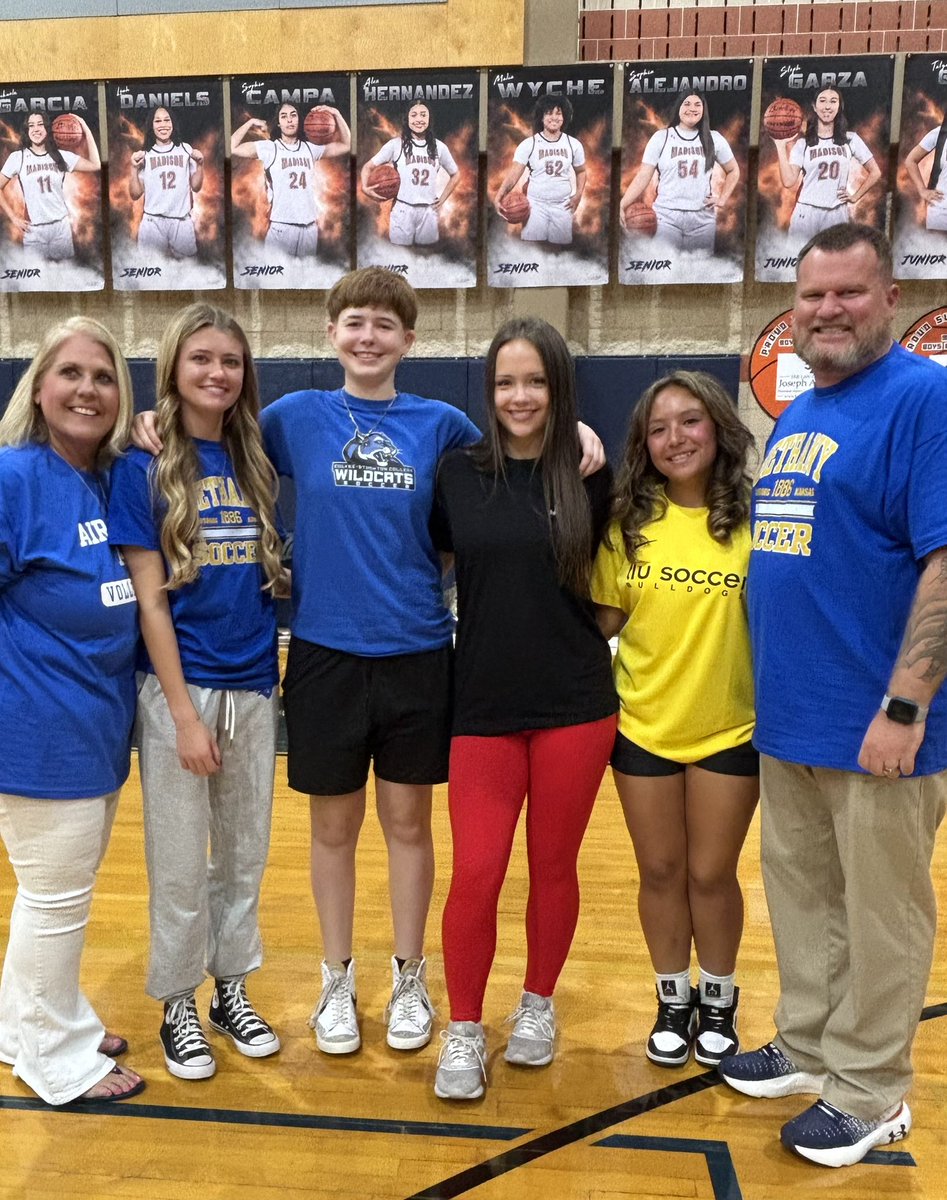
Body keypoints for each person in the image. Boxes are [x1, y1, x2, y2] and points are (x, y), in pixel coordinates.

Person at [131, 268, 604, 1062]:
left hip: (419, 652)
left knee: (409, 826)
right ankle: (335, 979)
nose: (368, 337)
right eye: (354, 322)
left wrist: (579, 435)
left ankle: (410, 976)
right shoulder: (291, 419)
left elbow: (514, 464)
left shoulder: (443, 425)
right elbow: (213, 428)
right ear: (330, 332)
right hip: (322, 654)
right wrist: (153, 418)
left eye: (386, 325)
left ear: (409, 341)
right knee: (333, 828)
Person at [718, 224, 947, 1168]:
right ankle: (810, 1043)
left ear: (889, 298)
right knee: (806, 899)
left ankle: (871, 1089)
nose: (827, 312)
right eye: (812, 296)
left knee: (884, 910)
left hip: (876, 722)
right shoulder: (808, 409)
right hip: (794, 716)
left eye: (848, 294)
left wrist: (905, 704)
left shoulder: (923, 400)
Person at [431, 318, 616, 1101]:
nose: (518, 396)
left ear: (557, 387)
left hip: (575, 704)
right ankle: (465, 1028)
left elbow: (617, 588)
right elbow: (437, 561)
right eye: (505, 382)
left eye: (534, 381)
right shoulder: (457, 473)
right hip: (480, 704)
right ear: (488, 389)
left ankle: (537, 1005)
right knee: (475, 871)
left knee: (553, 866)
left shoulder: (591, 470)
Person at [108, 304, 284, 1081]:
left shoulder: (257, 456)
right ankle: (178, 1000)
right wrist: (180, 715)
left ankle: (230, 990)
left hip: (253, 684)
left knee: (243, 859)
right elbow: (150, 601)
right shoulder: (139, 466)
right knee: (179, 863)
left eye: (232, 362)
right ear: (174, 367)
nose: (218, 373)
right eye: (202, 359)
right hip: (179, 687)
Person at [590, 372, 757, 1071]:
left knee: (711, 873)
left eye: (689, 422)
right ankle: (671, 999)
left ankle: (717, 998)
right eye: (657, 429)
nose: (674, 439)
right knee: (658, 870)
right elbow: (600, 621)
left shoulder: (756, 519)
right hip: (642, 726)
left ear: (717, 428)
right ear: (642, 444)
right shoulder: (628, 526)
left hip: (730, 728)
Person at [0, 317, 143, 1104]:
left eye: (104, 376)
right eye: (72, 373)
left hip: (94, 728)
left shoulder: (107, 477)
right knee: (56, 900)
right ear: (40, 386)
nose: (88, 389)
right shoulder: (14, 478)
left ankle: (20, 1021)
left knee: (48, 893)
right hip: (37, 735)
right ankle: (55, 1060)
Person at [619, 92, 740, 253]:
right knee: (665, 270)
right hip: (667, 217)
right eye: (687, 104)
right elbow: (643, 175)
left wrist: (722, 198)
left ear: (704, 110)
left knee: (699, 271)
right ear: (679, 108)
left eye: (698, 105)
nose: (692, 108)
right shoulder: (661, 138)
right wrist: (623, 203)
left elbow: (733, 170)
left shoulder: (714, 138)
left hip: (702, 219)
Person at [231, 101, 351, 259]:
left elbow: (346, 144)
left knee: (306, 280)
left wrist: (335, 113)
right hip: (282, 228)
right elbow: (233, 146)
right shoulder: (270, 148)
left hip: (309, 228)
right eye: (284, 116)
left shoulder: (310, 148)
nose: (289, 120)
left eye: (293, 115)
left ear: (299, 121)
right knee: (277, 282)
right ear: (279, 123)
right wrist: (251, 122)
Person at [773, 87, 881, 241]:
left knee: (835, 262)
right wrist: (780, 146)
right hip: (806, 211)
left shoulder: (851, 139)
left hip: (837, 212)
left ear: (839, 107)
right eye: (822, 101)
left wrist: (855, 196)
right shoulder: (803, 144)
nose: (827, 106)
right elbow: (789, 181)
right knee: (798, 261)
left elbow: (875, 172)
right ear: (814, 107)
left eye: (833, 101)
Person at [0, 112, 101, 261]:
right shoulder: (18, 157)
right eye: (31, 125)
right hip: (34, 230)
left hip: (60, 228)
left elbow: (95, 165)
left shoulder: (60, 156)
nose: (36, 129)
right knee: (36, 279)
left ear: (47, 128)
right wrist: (14, 218)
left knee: (64, 276)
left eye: (40, 124)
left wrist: (85, 128)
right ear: (27, 131)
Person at [360, 102, 460, 246]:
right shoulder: (395, 145)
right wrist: (364, 187)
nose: (418, 119)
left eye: (423, 115)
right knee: (401, 255)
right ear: (407, 120)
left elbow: (456, 174)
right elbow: (367, 167)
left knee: (425, 257)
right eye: (413, 115)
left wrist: (443, 198)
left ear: (429, 119)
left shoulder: (440, 147)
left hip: (428, 210)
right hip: (402, 209)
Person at [493, 95, 586, 245]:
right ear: (541, 117)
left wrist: (578, 195)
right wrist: (499, 195)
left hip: (562, 205)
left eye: (558, 113)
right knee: (534, 248)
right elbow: (514, 174)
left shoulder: (574, 144)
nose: (554, 117)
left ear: (564, 117)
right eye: (549, 113)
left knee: (559, 250)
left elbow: (581, 171)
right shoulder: (529, 144)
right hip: (535, 205)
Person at [129, 106, 203, 260]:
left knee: (188, 272)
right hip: (153, 221)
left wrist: (201, 165)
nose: (163, 125)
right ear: (151, 126)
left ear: (173, 123)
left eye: (166, 120)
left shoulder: (185, 149)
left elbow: (196, 187)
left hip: (181, 221)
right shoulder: (145, 154)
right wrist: (133, 169)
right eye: (157, 121)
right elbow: (135, 194)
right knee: (153, 272)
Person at [904, 112, 947, 232]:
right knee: (938, 250)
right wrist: (922, 190)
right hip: (941, 214)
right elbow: (910, 161)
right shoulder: (939, 134)